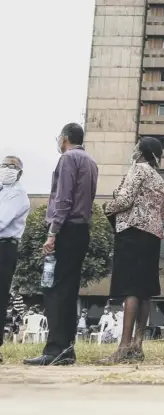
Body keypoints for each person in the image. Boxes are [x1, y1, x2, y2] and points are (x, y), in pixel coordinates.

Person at [24, 123, 98, 366]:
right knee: (68, 290)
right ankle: (66, 349)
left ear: (65, 138)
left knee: (55, 289)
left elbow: (63, 198)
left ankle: (54, 348)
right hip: (82, 229)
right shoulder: (91, 162)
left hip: (66, 228)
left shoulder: (68, 159)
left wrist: (53, 232)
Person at [100, 136, 164, 364]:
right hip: (153, 236)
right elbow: (163, 214)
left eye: (137, 146)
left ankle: (123, 347)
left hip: (132, 232)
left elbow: (125, 199)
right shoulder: (159, 178)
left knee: (130, 288)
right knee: (145, 290)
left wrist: (107, 208)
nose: (134, 149)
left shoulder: (137, 169)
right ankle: (137, 345)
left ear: (142, 151)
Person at [0, 156, 30, 362]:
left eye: (13, 166)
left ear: (19, 172)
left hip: (4, 247)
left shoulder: (17, 194)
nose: (7, 169)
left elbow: (2, 221)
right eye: (4, 165)